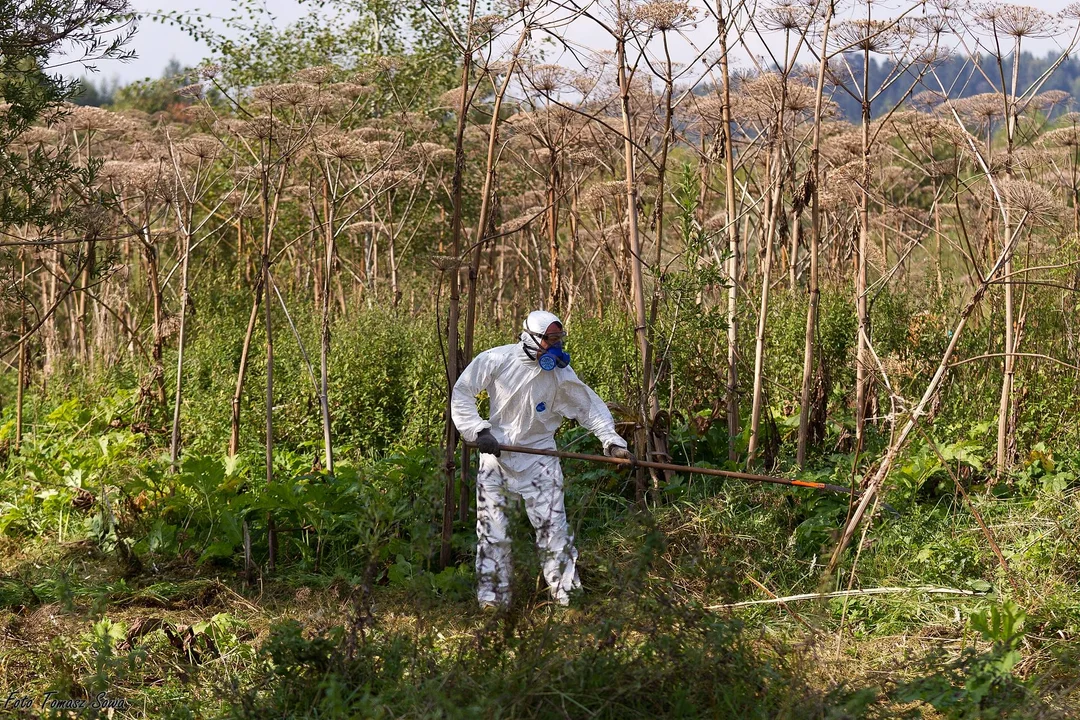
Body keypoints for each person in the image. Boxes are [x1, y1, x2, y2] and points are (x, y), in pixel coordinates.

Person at [451, 310, 634, 609]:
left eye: (558, 339)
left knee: (554, 531)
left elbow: (587, 407)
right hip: (496, 456)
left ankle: (567, 597)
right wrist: (478, 431)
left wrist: (612, 442)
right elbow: (463, 392)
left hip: (540, 458)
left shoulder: (560, 374)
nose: (556, 347)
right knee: (494, 531)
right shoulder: (496, 360)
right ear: (531, 338)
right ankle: (493, 602)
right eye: (550, 340)